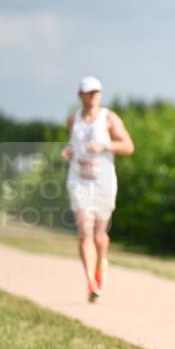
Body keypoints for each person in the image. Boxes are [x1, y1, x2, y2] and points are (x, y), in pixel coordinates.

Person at [62, 77, 135, 302]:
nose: (94, 95)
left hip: (103, 180)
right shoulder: (73, 119)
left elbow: (129, 147)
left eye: (97, 92)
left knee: (99, 234)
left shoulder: (109, 118)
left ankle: (100, 265)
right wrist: (68, 150)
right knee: (85, 232)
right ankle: (90, 283)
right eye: (89, 92)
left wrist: (105, 145)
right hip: (79, 180)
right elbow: (73, 143)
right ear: (80, 95)